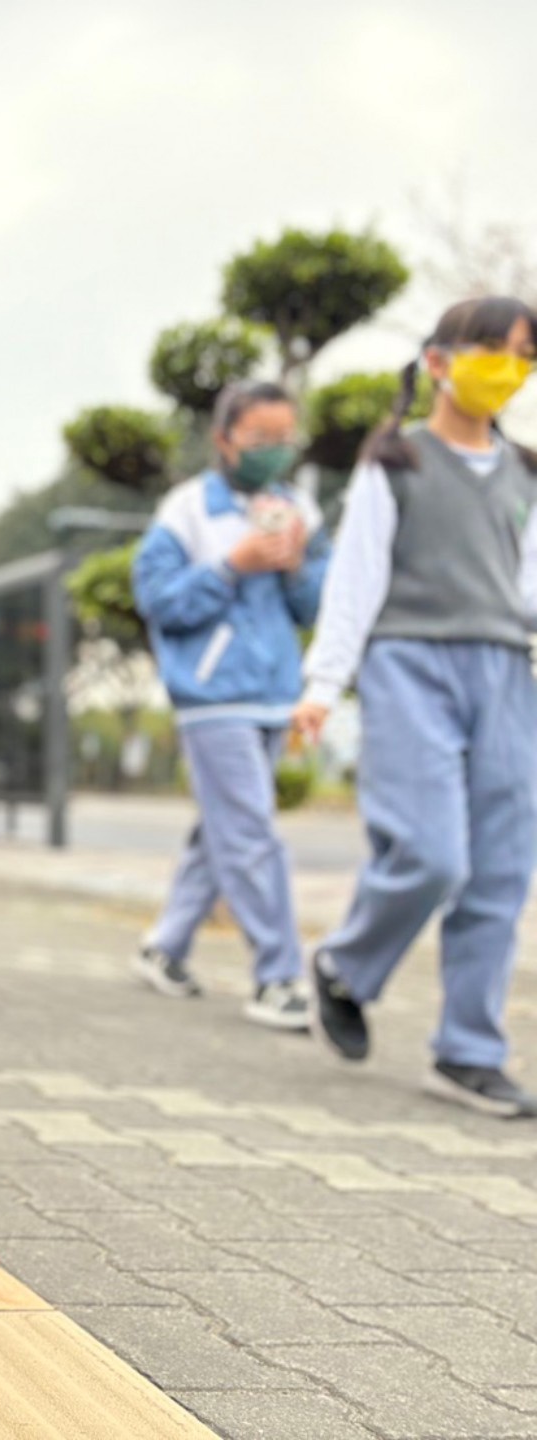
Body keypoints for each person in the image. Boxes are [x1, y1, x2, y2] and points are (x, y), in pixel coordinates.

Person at [295, 296, 537, 1119]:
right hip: (408, 664)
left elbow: (524, 587)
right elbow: (355, 581)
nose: (508, 368)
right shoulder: (395, 461)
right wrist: (323, 686)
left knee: (502, 870)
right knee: (433, 854)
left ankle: (469, 1053)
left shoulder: (525, 472)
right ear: (438, 360)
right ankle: (347, 966)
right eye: (493, 349)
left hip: (504, 668)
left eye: (523, 355)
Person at [131, 382, 329, 1030]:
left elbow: (318, 604)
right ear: (224, 439)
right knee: (249, 831)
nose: (275, 451)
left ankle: (165, 947)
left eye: (285, 439)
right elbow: (158, 599)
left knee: (225, 828)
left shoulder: (299, 508)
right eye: (260, 438)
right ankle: (279, 976)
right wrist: (232, 564)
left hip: (274, 694)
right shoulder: (188, 508)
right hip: (212, 697)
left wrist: (296, 565)